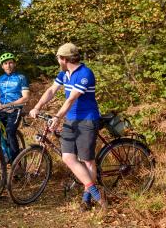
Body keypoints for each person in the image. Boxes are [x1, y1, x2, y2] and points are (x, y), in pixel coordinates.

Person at [28, 43, 107, 211]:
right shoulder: (64, 74)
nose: (58, 60)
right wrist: (37, 106)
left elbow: (71, 99)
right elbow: (51, 90)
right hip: (71, 120)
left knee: (87, 160)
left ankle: (87, 198)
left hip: (87, 120)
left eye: (58, 58)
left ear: (64, 58)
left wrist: (57, 117)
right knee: (68, 157)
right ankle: (95, 191)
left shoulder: (85, 74)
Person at [0, 53, 30, 166]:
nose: (8, 65)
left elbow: (25, 97)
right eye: (6, 63)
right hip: (1, 110)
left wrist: (10, 105)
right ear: (2, 66)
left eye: (11, 62)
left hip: (15, 110)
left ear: (14, 63)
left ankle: (16, 166)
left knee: (10, 132)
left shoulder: (21, 78)